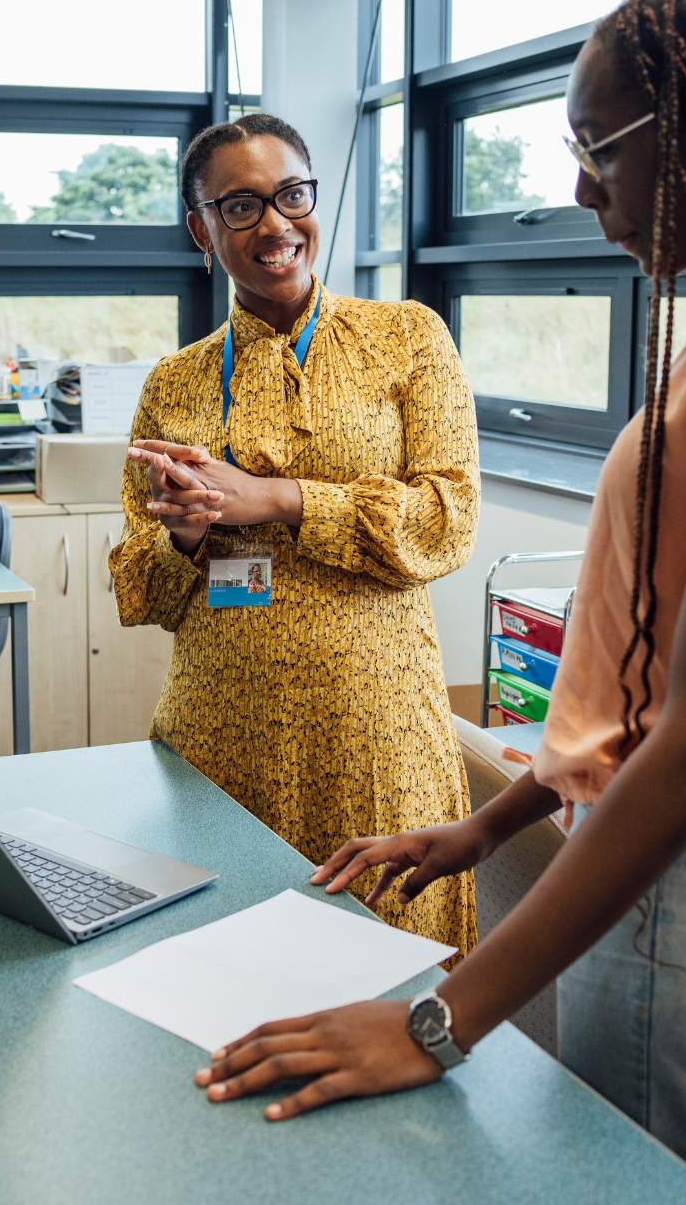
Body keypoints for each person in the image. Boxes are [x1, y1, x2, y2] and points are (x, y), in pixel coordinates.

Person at [190, 0, 686, 1205]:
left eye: (599, 147)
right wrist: (495, 821)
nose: (580, 185)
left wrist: (435, 1020)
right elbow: (652, 683)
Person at [109, 113, 480, 955]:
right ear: (201, 229)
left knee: (392, 963)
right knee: (223, 963)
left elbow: (446, 520)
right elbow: (138, 583)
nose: (275, 225)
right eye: (240, 207)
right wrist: (187, 538)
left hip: (376, 733)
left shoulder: (408, 339)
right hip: (217, 736)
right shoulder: (176, 381)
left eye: (292, 196)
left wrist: (278, 500)